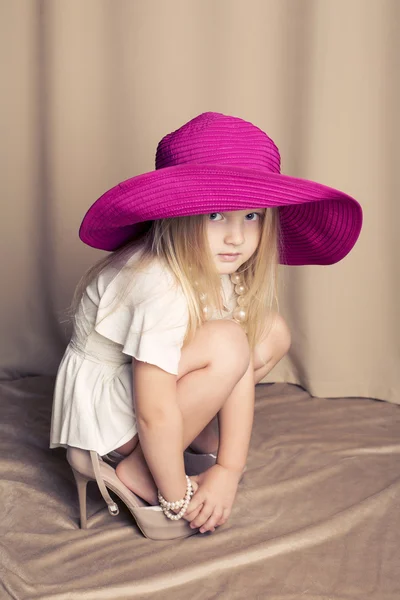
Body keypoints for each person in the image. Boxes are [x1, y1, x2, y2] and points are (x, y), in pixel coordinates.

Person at [50, 111, 363, 540]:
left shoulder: (209, 265)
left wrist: (228, 470)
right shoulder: (155, 280)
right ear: (176, 213)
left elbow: (233, 356)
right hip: (108, 417)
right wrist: (176, 493)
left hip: (147, 391)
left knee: (268, 331)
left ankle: (194, 438)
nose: (236, 236)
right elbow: (154, 410)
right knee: (231, 342)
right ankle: (140, 471)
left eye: (251, 215)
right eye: (216, 214)